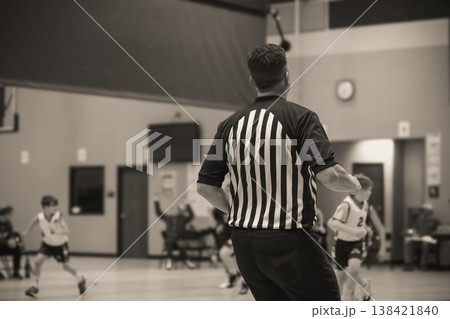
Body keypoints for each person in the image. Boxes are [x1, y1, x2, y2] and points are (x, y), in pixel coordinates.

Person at [197, 43, 362, 301]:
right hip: (289, 242)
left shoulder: (227, 126)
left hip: (245, 246)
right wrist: (354, 185)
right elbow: (329, 175)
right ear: (287, 76)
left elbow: (205, 188)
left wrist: (241, 211)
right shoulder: (301, 119)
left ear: (253, 80)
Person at [21, 195, 86, 298]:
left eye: (56, 206)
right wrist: (26, 232)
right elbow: (34, 222)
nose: (55, 208)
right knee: (37, 262)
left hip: (60, 245)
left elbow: (66, 230)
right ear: (45, 207)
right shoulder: (39, 217)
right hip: (47, 244)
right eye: (52, 206)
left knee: (66, 267)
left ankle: (80, 279)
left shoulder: (58, 217)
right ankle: (35, 286)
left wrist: (56, 231)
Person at [327, 174, 374, 301]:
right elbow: (333, 223)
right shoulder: (346, 205)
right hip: (342, 243)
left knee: (353, 268)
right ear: (362, 190)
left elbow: (359, 219)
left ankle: (348, 295)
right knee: (341, 276)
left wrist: (366, 228)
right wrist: (354, 231)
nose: (371, 193)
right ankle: (362, 285)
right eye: (370, 190)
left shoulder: (365, 204)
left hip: (357, 242)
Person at [210, 207, 248, 294]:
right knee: (224, 252)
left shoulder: (236, 212)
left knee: (229, 254)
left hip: (243, 238)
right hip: (230, 241)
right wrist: (215, 252)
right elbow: (220, 238)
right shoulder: (219, 224)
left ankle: (243, 281)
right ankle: (234, 276)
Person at [154, 197, 197, 270]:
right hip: (171, 240)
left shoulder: (183, 218)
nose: (176, 210)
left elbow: (191, 216)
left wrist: (188, 205)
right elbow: (158, 212)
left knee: (182, 242)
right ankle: (169, 260)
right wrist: (156, 201)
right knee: (170, 240)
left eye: (178, 209)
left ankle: (186, 260)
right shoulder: (168, 218)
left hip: (180, 238)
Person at [403, 203, 440, 271]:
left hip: (429, 239)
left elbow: (439, 230)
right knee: (407, 242)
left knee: (425, 244)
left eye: (427, 211)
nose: (425, 213)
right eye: (424, 211)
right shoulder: (420, 219)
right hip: (419, 238)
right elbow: (415, 228)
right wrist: (413, 233)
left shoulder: (435, 220)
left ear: (431, 212)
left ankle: (423, 264)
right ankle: (408, 264)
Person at [0, 205, 23, 279]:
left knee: (17, 249)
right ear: (5, 214)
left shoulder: (8, 223)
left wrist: (14, 241)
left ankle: (16, 272)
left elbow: (11, 235)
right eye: (10, 214)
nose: (11, 216)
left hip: (6, 246)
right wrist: (6, 242)